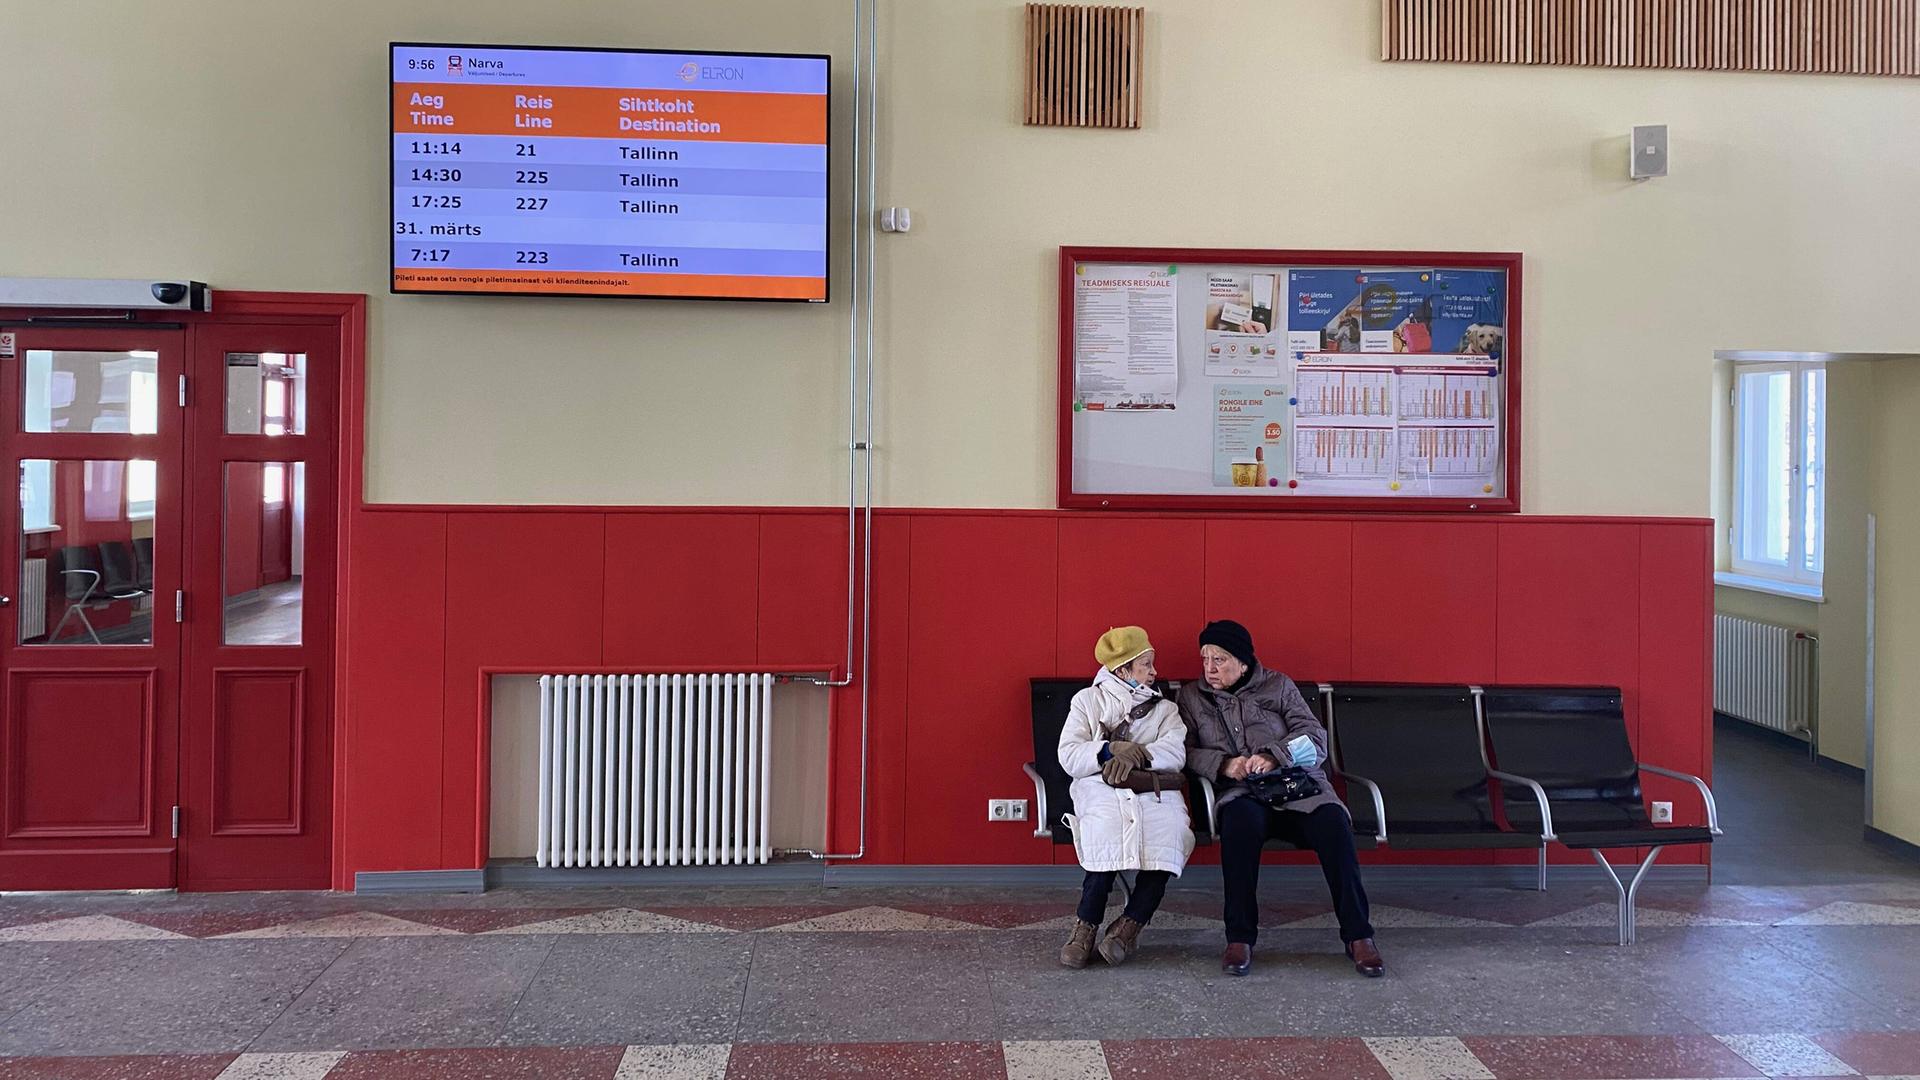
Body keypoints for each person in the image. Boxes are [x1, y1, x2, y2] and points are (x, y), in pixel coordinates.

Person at [1176, 619, 1384, 978]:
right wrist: (1225, 764)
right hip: (1242, 792)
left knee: (1335, 825)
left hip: (1297, 788)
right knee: (1239, 825)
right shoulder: (1192, 697)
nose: (1209, 668)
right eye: (1205, 659)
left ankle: (1359, 936)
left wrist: (1275, 755)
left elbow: (1315, 737)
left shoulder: (1278, 685)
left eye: (1219, 660)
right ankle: (1239, 938)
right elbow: (1185, 751)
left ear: (1242, 661)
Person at [1056, 626, 1194, 968]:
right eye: (1146, 664)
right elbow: (1069, 754)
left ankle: (1128, 926)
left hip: (1152, 787)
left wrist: (1138, 755)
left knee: (1171, 830)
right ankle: (1085, 927)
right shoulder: (1086, 702)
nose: (1154, 671)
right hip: (1100, 787)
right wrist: (1107, 750)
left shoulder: (1165, 710)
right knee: (1105, 830)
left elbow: (1175, 753)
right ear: (1123, 670)